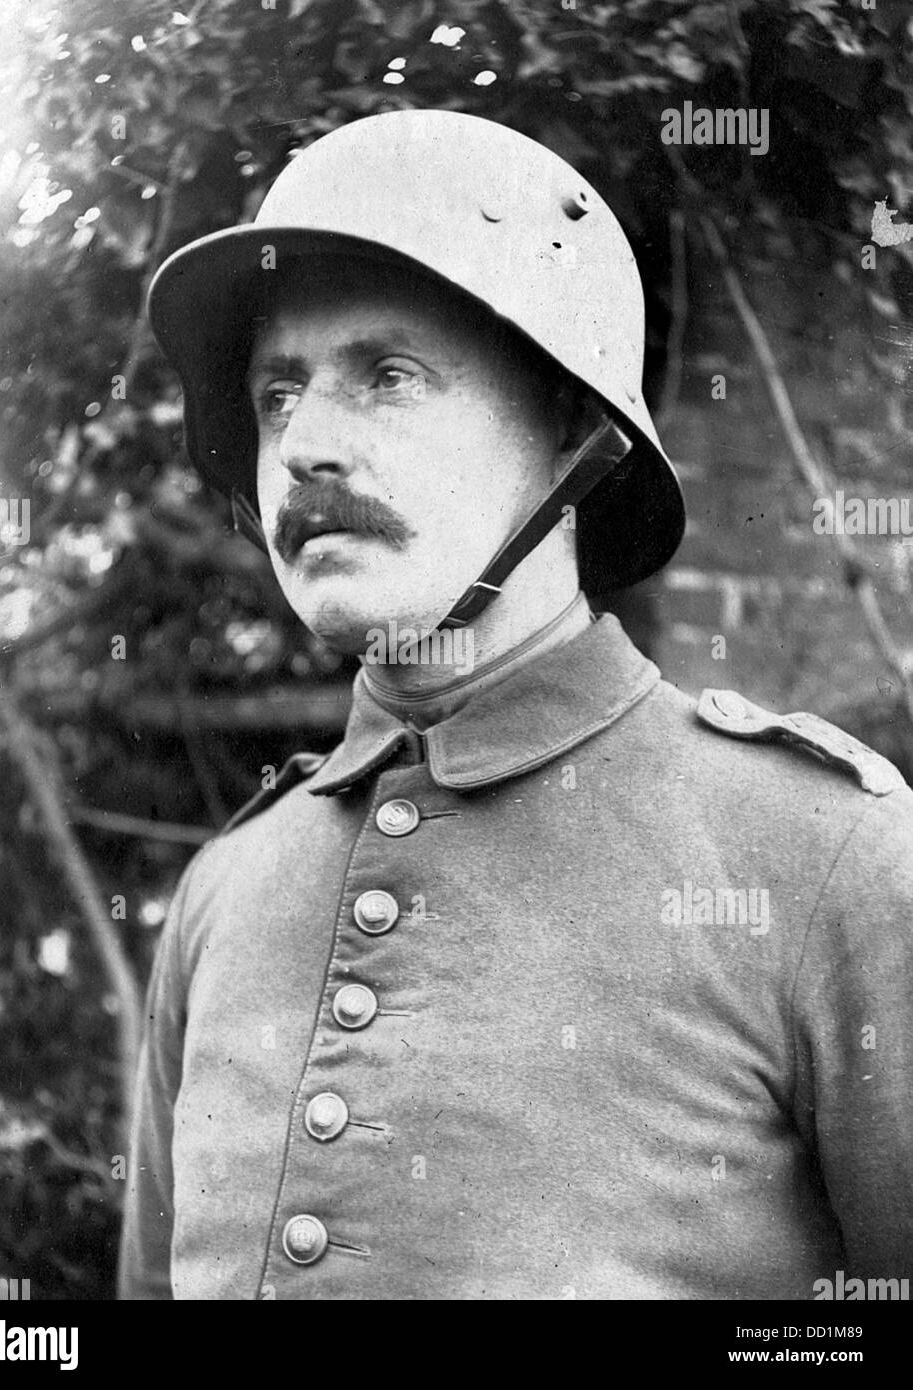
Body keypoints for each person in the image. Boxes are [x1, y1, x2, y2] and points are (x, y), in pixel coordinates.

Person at [119, 109, 913, 1301]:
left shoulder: (822, 859)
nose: (303, 448)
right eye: (277, 393)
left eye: (387, 376)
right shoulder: (226, 893)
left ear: (570, 434)